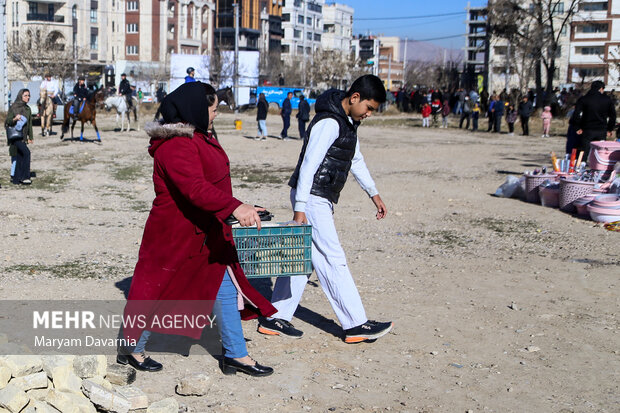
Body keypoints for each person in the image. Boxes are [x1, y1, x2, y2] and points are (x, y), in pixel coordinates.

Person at [121, 82, 276, 376]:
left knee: (224, 286)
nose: (216, 115)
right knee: (153, 291)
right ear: (195, 109)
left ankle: (236, 354)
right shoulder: (176, 144)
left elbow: (210, 182)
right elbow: (195, 188)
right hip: (174, 236)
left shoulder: (198, 137)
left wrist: (238, 206)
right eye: (214, 109)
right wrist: (234, 207)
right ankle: (131, 349)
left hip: (205, 230)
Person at [257, 75, 393, 344]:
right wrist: (300, 209)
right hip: (313, 199)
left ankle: (275, 317)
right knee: (333, 257)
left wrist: (373, 194)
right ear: (354, 98)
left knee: (302, 258)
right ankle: (355, 324)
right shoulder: (329, 123)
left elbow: (355, 159)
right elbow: (308, 165)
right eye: (369, 108)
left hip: (318, 198)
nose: (368, 114)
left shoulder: (347, 124)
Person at [571, 80, 617, 155]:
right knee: (600, 151)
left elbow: (576, 114)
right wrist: (610, 129)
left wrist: (577, 127)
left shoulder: (583, 99)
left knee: (584, 151)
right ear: (601, 88)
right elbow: (613, 116)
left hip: (586, 129)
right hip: (601, 130)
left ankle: (582, 164)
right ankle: (597, 166)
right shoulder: (607, 100)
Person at [5, 89, 33, 185]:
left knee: (20, 156)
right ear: (20, 96)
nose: (27, 97)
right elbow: (7, 121)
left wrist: (30, 137)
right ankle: (25, 177)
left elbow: (29, 124)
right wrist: (15, 118)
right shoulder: (14, 107)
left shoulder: (28, 109)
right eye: (25, 95)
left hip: (23, 136)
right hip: (15, 136)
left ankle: (17, 179)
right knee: (27, 153)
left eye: (28, 95)